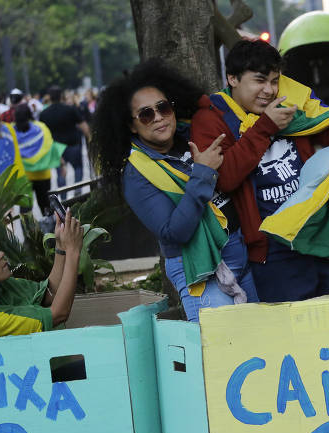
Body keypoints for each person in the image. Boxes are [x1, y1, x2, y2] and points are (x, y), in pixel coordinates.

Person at [190, 39, 329, 303]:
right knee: (297, 334)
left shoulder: (288, 104)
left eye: (274, 80)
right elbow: (226, 178)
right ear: (232, 78)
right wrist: (265, 126)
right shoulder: (212, 118)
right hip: (274, 248)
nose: (269, 90)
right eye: (260, 81)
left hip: (322, 233)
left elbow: (328, 129)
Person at [90, 59, 257, 321]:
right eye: (146, 114)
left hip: (241, 255)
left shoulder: (193, 135)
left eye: (163, 107)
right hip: (201, 271)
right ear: (132, 125)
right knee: (224, 353)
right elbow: (174, 232)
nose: (158, 117)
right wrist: (202, 174)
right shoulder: (135, 174)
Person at [0, 210, 83, 339]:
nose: (1, 254)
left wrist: (61, 246)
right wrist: (73, 251)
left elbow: (49, 294)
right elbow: (58, 314)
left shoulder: (0, 287)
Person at [13, 103, 66, 216]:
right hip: (42, 175)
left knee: (25, 209)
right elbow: (50, 146)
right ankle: (49, 231)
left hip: (23, 177)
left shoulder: (11, 131)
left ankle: (29, 232)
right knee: (46, 206)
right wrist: (62, 164)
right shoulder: (41, 127)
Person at [40, 85, 90, 198]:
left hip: (56, 148)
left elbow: (44, 135)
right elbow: (84, 127)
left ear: (49, 97)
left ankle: (63, 200)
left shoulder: (44, 114)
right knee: (78, 169)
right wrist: (90, 139)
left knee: (60, 174)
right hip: (73, 145)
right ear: (61, 96)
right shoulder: (71, 109)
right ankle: (78, 196)